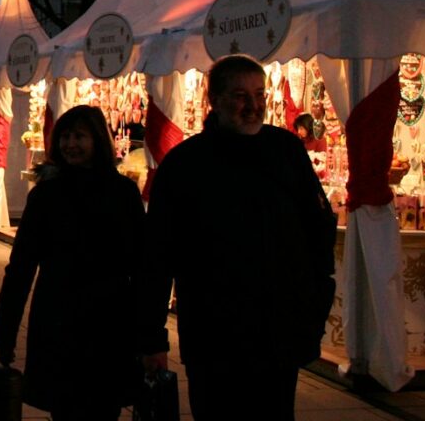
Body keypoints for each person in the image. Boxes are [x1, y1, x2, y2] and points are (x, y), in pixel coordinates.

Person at [141, 55, 336, 420]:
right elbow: (158, 255)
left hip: (277, 329)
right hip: (214, 331)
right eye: (240, 95)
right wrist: (152, 337)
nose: (253, 105)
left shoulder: (286, 150)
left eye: (259, 94)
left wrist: (315, 304)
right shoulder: (185, 165)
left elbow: (317, 229)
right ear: (214, 100)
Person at [0, 106, 154, 420]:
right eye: (64, 136)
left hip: (110, 322)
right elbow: (21, 266)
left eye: (79, 136)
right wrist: (5, 329)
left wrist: (148, 334)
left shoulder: (122, 194)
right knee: (65, 409)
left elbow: (142, 265)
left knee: (104, 408)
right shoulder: (45, 196)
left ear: (97, 140)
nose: (70, 144)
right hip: (58, 320)